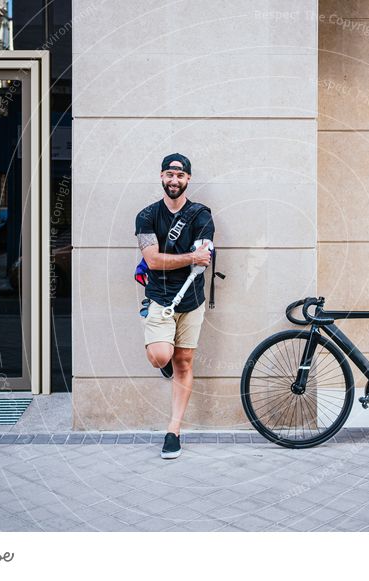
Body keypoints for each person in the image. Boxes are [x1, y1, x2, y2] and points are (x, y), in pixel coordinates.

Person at [134, 153, 215, 459]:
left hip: (192, 301)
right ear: (161, 177)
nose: (174, 180)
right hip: (159, 297)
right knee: (160, 356)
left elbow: (205, 252)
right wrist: (190, 258)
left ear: (188, 180)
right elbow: (152, 259)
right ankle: (161, 351)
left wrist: (197, 256)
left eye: (180, 176)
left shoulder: (201, 215)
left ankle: (174, 430)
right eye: (169, 174)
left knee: (183, 363)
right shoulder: (146, 216)